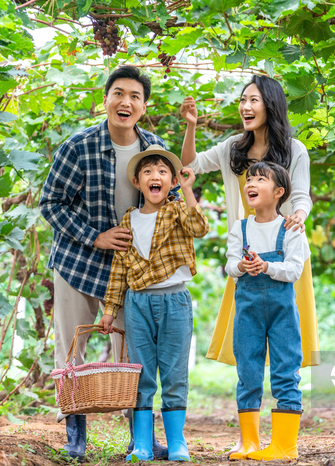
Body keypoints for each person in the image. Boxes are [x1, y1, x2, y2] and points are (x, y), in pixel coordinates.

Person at [179, 75, 319, 453]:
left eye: (253, 99)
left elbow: (302, 194)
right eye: (242, 100)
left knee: (288, 350)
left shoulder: (294, 149)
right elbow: (189, 164)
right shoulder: (231, 149)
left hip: (284, 251)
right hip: (245, 256)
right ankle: (252, 441)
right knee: (250, 351)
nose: (245, 106)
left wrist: (298, 217)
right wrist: (191, 127)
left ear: (270, 104)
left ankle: (284, 443)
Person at [39, 65, 168, 462]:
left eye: (134, 96)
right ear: (106, 99)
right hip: (78, 263)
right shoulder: (77, 146)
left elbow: (169, 203)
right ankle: (75, 435)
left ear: (143, 106)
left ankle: (140, 436)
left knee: (135, 352)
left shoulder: (154, 150)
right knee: (71, 349)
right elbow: (50, 203)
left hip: (132, 272)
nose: (125, 102)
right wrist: (94, 236)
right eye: (118, 93)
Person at [99, 146, 209, 462]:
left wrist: (188, 190)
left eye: (162, 171)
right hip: (137, 304)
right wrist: (110, 309)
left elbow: (199, 227)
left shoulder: (176, 211)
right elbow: (119, 267)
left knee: (174, 373)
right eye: (148, 172)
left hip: (174, 300)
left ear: (172, 181)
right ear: (137, 182)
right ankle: (143, 444)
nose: (155, 176)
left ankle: (177, 443)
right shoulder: (129, 219)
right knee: (142, 373)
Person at [226, 161, 309, 461]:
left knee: (286, 370)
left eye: (260, 179)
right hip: (247, 310)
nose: (251, 183)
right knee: (247, 372)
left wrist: (267, 266)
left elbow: (294, 269)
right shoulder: (241, 227)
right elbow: (230, 264)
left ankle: (285, 445)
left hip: (281, 311)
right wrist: (241, 266)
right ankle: (249, 442)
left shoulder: (290, 228)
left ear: (278, 192)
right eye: (249, 178)